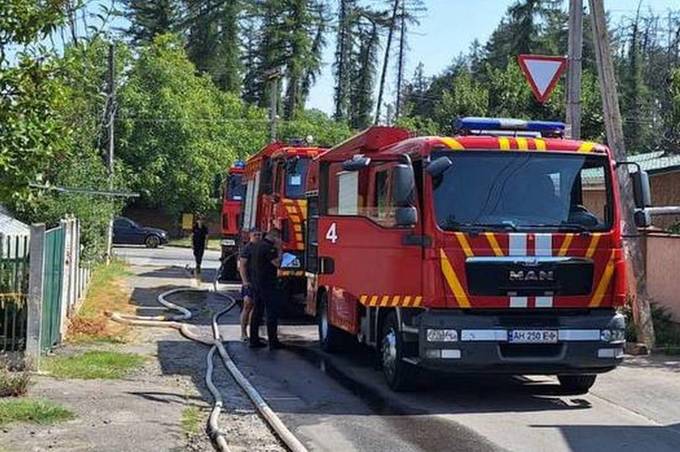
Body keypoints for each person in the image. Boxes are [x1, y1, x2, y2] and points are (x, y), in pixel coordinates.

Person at [249, 228, 283, 350]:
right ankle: (273, 342)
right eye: (279, 238)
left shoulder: (257, 245)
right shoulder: (269, 248)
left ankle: (253, 339)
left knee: (257, 311)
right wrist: (279, 249)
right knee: (271, 312)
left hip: (256, 283)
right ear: (275, 237)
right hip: (267, 284)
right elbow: (277, 263)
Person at [238, 229, 261, 342]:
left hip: (258, 283)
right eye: (255, 234)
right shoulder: (247, 249)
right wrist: (245, 281)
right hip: (249, 282)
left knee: (256, 308)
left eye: (259, 235)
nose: (257, 236)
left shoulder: (262, 248)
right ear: (250, 236)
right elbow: (242, 266)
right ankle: (243, 333)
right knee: (247, 305)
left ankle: (253, 333)